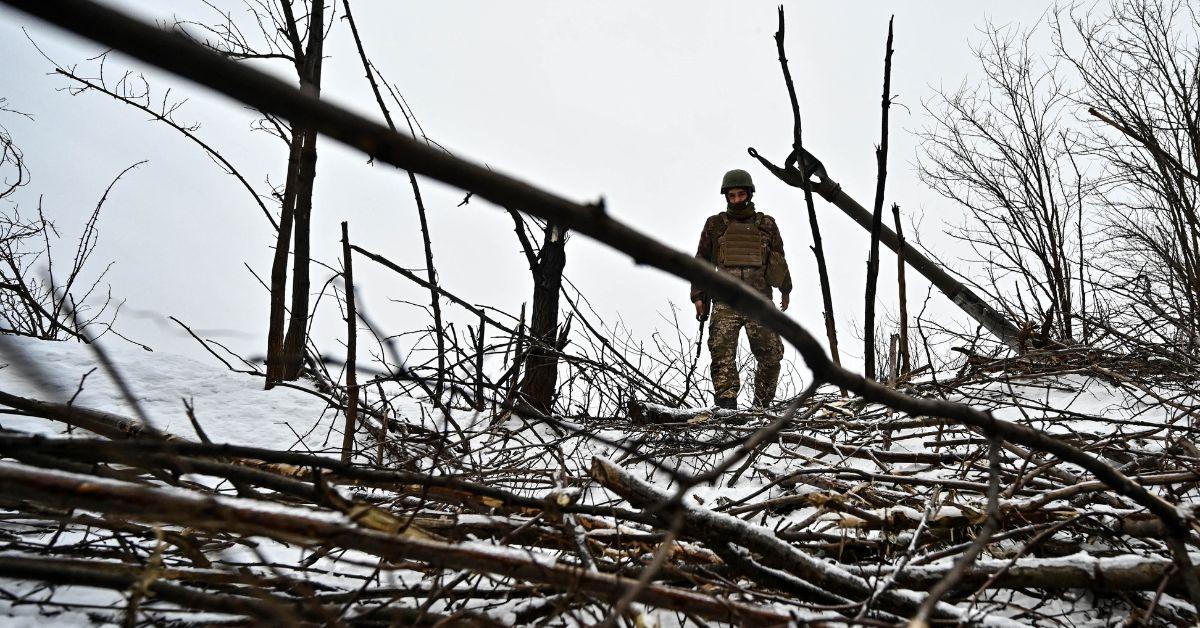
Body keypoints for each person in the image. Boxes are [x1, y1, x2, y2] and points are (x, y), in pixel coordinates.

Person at [690, 169, 791, 410]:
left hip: (760, 300)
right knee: (722, 354)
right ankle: (727, 408)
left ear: (749, 194)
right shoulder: (715, 225)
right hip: (726, 301)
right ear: (726, 196)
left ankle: (762, 408)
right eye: (732, 195)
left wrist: (786, 289)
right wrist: (698, 296)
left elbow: (778, 259)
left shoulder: (766, 224)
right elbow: (702, 261)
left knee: (771, 355)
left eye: (740, 194)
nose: (736, 200)